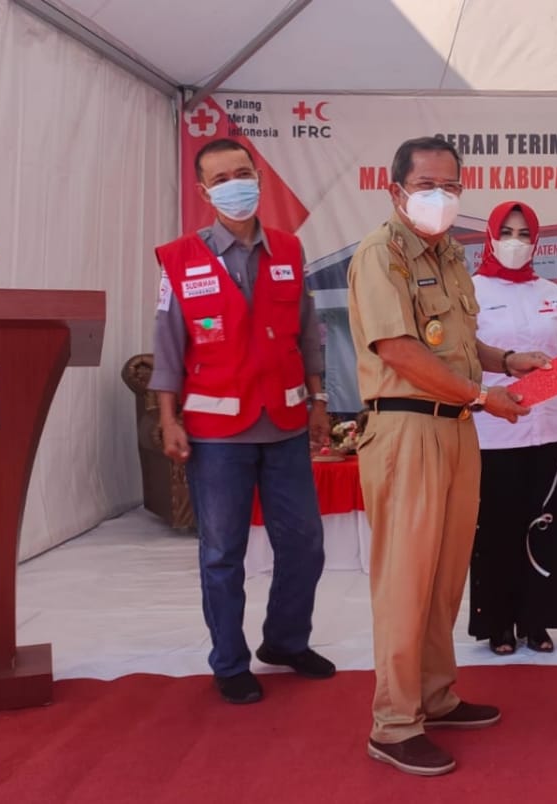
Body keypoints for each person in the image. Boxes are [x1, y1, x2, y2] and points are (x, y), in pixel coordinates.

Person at [346, 137, 552, 777]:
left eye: (451, 186)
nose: (441, 197)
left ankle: (434, 695)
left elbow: (459, 343)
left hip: (457, 426)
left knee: (443, 575)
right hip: (407, 429)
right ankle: (394, 723)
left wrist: (506, 363)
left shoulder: (449, 255)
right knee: (406, 580)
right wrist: (484, 396)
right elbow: (400, 351)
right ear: (396, 190)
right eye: (428, 185)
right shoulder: (382, 256)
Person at [150, 138, 334, 705]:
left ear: (259, 177)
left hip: (284, 422)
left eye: (244, 172)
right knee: (222, 552)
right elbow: (167, 343)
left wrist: (321, 399)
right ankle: (229, 661)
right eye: (222, 177)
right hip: (215, 433)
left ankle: (284, 641)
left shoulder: (289, 250)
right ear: (204, 192)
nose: (237, 183)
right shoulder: (180, 258)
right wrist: (168, 417)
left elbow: (308, 331)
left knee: (304, 545)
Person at [467, 201, 557, 655]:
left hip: (552, 432)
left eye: (524, 234)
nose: (516, 243)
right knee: (497, 529)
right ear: (491, 237)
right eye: (507, 233)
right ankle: (497, 623)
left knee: (548, 527)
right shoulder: (470, 291)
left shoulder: (552, 292)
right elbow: (467, 360)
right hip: (494, 432)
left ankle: (539, 620)